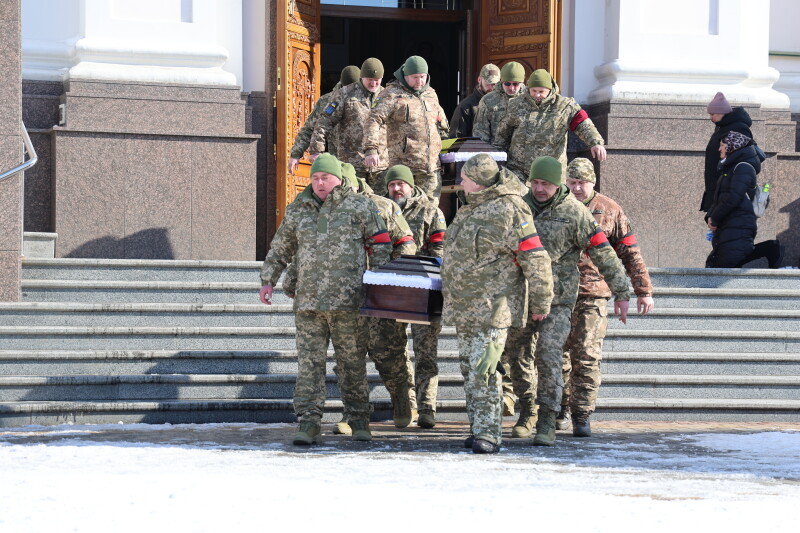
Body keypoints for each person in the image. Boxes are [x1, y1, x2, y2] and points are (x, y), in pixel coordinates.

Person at [258, 153, 392, 445]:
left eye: (325, 178)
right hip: (309, 304)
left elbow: (380, 245)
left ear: (339, 178)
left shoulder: (359, 205)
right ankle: (308, 421)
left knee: (351, 363)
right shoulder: (299, 209)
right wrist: (268, 279)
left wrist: (378, 286)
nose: (319, 183)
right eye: (315, 178)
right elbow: (281, 247)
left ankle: (358, 419)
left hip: (349, 303)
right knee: (309, 364)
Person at [501, 156, 630, 446]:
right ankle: (527, 411)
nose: (539, 188)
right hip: (521, 297)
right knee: (517, 356)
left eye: (545, 183)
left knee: (548, 355)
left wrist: (622, 291)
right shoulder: (518, 208)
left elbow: (605, 255)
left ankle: (547, 418)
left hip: (558, 300)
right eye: (535, 182)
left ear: (557, 183)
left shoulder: (575, 214)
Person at [441, 153, 553, 454]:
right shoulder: (468, 210)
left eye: (465, 177)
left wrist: (541, 301)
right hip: (466, 308)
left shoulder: (512, 209)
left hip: (493, 309)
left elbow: (535, 257)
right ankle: (479, 426)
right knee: (470, 369)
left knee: (485, 369)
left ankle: (489, 434)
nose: (460, 181)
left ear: (478, 182)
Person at [560, 158, 654, 436]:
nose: (577, 188)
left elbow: (630, 252)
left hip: (594, 293)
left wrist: (642, 290)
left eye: (582, 183)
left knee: (587, 356)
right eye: (572, 182)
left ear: (593, 183)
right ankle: (560, 408)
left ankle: (582, 414)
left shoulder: (609, 210)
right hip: (559, 294)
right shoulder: (557, 205)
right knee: (558, 358)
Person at [386, 164, 448, 428]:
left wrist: (426, 270)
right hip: (391, 290)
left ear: (411, 186)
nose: (396, 188)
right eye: (392, 185)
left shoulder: (431, 210)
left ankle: (427, 407)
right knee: (394, 351)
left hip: (425, 290)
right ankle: (407, 403)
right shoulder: (381, 210)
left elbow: (441, 247)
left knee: (425, 352)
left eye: (401, 184)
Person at [493, 69, 606, 181]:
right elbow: (502, 133)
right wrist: (498, 159)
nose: (537, 95)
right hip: (519, 170)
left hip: (551, 172)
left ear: (550, 89)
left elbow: (583, 124)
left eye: (541, 91)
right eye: (533, 91)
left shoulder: (565, 106)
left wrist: (595, 142)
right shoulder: (515, 104)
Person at [363, 55, 449, 200]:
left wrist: (445, 150)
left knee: (429, 209)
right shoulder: (391, 94)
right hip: (404, 167)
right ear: (405, 75)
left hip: (430, 167)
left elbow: (441, 124)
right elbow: (373, 121)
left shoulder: (431, 94)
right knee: (402, 209)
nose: (419, 81)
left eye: (422, 77)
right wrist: (371, 149)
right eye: (415, 77)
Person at [705, 132, 783, 268]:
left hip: (739, 222)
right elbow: (722, 197)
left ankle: (770, 248)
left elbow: (734, 196)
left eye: (722, 145)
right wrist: (711, 216)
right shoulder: (731, 168)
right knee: (717, 263)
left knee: (727, 262)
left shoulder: (742, 167)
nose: (719, 149)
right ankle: (769, 248)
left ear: (732, 146)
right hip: (730, 222)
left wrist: (715, 218)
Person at [309, 58, 387, 187]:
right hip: (352, 164)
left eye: (376, 81)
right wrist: (317, 150)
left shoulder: (386, 96)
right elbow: (324, 122)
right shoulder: (345, 95)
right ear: (362, 77)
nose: (373, 84)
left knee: (379, 205)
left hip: (380, 165)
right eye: (370, 80)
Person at [288, 65, 360, 175]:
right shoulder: (327, 101)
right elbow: (309, 129)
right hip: (337, 165)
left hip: (365, 165)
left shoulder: (368, 100)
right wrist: (295, 154)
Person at [701, 92, 753, 213]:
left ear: (721, 112)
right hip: (719, 184)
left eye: (712, 114)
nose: (710, 117)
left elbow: (739, 157)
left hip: (727, 186)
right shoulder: (722, 127)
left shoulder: (737, 128)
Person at [472, 61, 526, 146]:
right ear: (501, 81)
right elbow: (480, 133)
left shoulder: (529, 99)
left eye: (515, 84)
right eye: (507, 83)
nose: (511, 88)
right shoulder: (488, 100)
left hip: (522, 155)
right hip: (497, 154)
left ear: (522, 82)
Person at [449, 63, 500, 138]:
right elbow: (456, 138)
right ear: (479, 80)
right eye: (488, 82)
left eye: (494, 84)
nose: (491, 87)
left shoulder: (504, 103)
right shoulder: (466, 106)